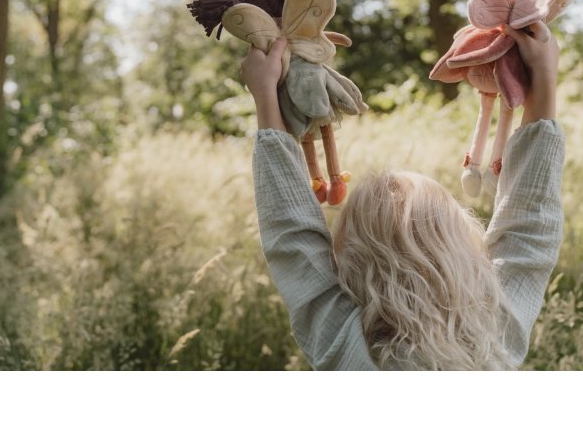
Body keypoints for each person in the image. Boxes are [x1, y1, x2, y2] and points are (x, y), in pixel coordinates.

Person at [242, 21, 565, 370]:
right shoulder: (494, 333)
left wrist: (266, 96)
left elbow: (292, 236)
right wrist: (544, 76)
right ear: (460, 242)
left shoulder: (346, 342)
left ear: (351, 260)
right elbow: (530, 226)